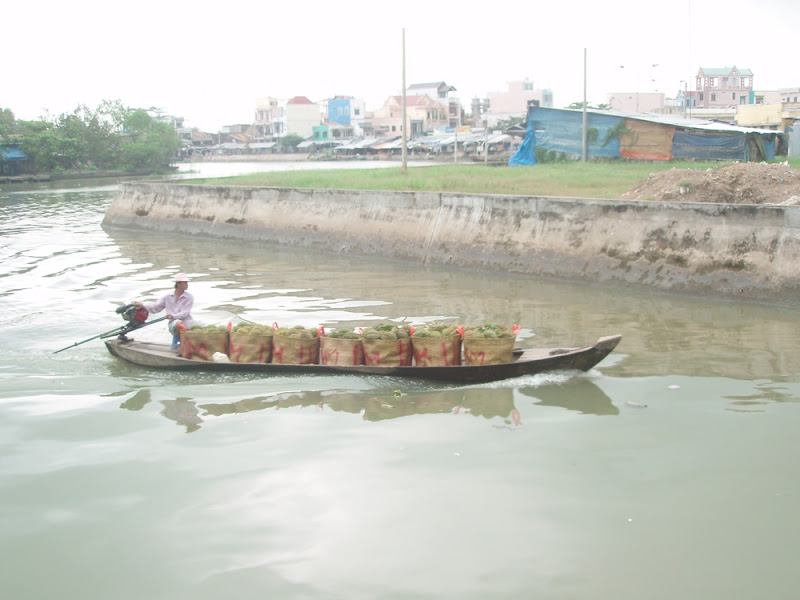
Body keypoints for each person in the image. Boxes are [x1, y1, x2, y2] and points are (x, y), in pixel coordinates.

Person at [134, 273, 196, 349]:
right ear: (178, 284)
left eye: (187, 283)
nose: (187, 285)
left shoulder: (189, 297)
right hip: (174, 324)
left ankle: (190, 345)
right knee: (178, 323)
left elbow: (185, 313)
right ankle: (183, 346)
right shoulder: (167, 297)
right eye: (185, 283)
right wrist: (143, 305)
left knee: (204, 327)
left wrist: (173, 316)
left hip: (188, 322)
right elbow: (156, 307)